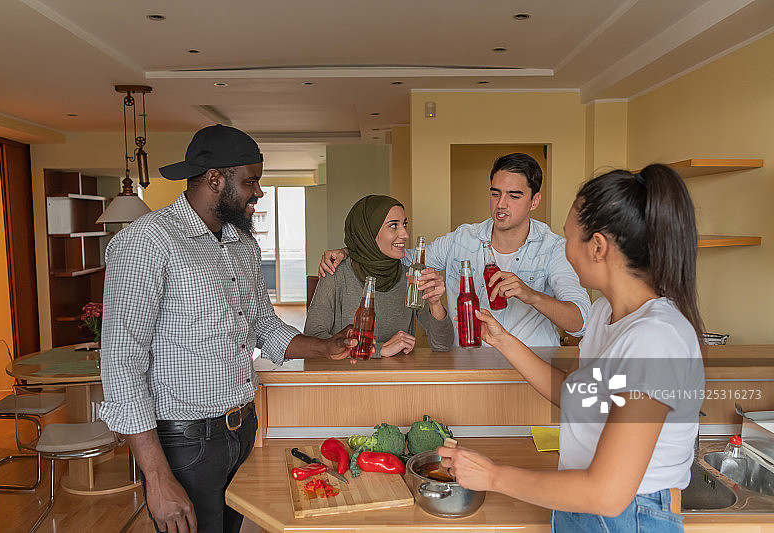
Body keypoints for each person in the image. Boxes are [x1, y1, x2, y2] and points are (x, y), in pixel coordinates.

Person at [99, 124, 356, 533]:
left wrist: (326, 347)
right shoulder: (147, 243)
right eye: (251, 180)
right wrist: (158, 477)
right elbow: (120, 366)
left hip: (242, 432)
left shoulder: (242, 243)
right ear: (215, 179)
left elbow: (264, 327)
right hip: (184, 444)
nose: (258, 192)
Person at [438, 164, 705, 532]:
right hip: (576, 502)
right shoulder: (603, 314)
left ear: (597, 247)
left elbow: (608, 493)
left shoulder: (655, 337)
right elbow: (574, 393)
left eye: (568, 238)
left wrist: (494, 476)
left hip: (631, 516)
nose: (563, 249)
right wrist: (501, 339)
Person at [318, 153, 590, 347]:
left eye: (514, 195)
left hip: (533, 371)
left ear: (535, 201)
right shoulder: (462, 239)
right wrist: (350, 250)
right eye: (495, 193)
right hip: (466, 367)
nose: (501, 204)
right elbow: (402, 258)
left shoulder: (554, 248)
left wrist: (531, 295)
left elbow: (580, 322)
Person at [305, 195, 454, 357]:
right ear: (368, 231)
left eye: (404, 224)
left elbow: (443, 345)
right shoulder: (335, 273)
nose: (405, 234)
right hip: (347, 377)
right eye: (393, 226)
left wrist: (435, 303)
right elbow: (314, 339)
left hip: (397, 378)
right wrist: (378, 349)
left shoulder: (410, 277)